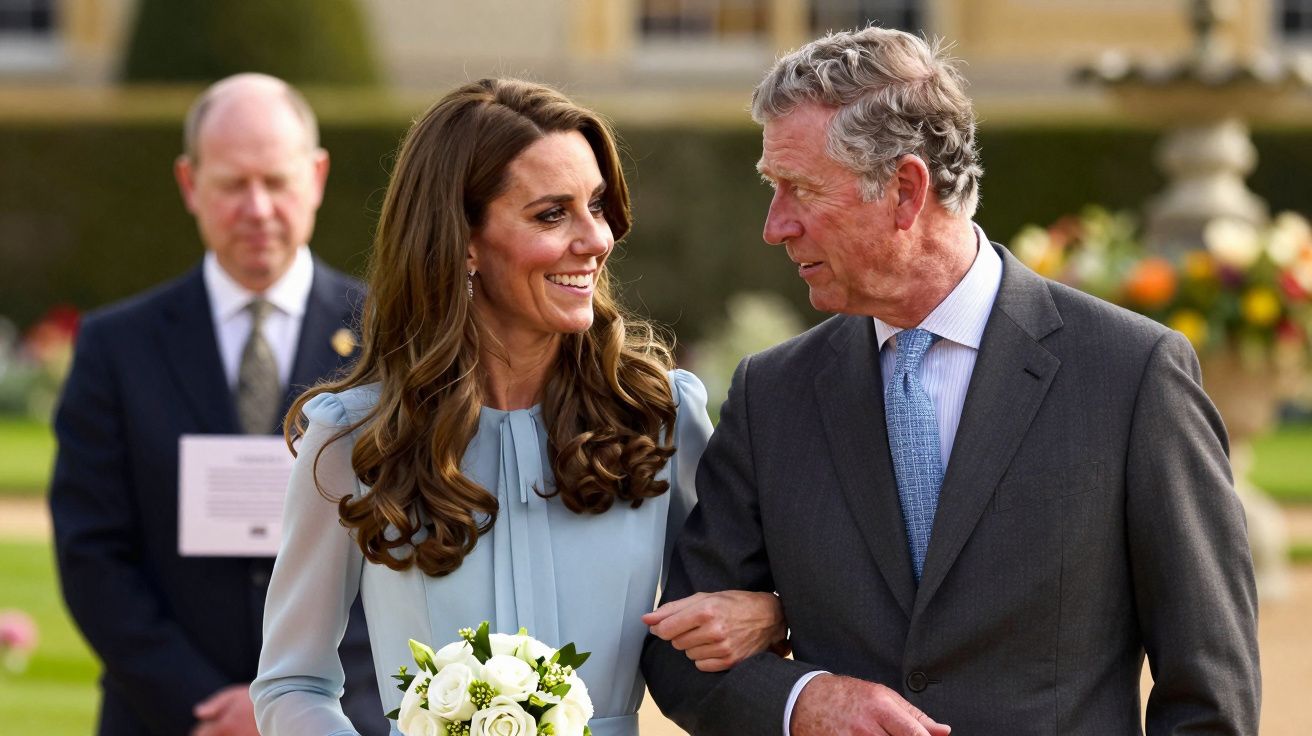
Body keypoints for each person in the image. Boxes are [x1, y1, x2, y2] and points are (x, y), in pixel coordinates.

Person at [641, 27, 1260, 735]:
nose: (774, 226)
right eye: (771, 189)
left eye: (800, 190)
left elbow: (1211, 696)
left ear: (906, 190)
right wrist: (805, 700)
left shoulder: (1132, 375)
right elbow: (678, 652)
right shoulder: (770, 394)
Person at [250, 78, 786, 736]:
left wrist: (773, 612)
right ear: (464, 241)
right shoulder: (352, 440)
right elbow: (292, 681)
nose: (596, 238)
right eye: (551, 214)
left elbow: (738, 612)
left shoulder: (661, 416)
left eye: (596, 205)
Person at [49, 73, 386, 736]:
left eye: (276, 180)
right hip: (166, 719)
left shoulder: (392, 339)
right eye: (233, 184)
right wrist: (203, 702)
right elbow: (91, 552)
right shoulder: (116, 347)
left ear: (316, 177)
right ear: (188, 184)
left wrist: (292, 702)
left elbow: (414, 541)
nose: (257, 208)